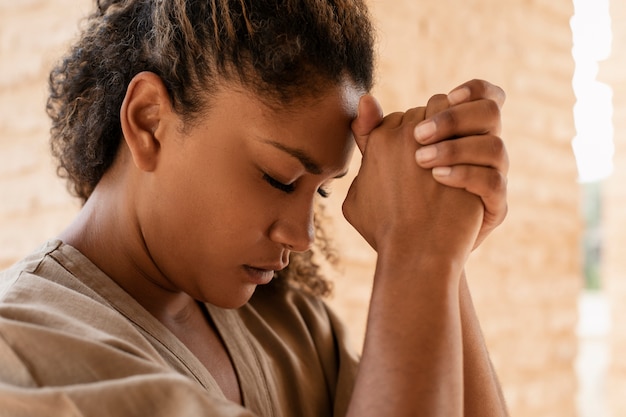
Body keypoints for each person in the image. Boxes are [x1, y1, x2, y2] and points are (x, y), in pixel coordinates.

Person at [0, 1, 509, 416]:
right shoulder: (22, 354)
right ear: (149, 120)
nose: (303, 235)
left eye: (323, 190)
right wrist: (416, 252)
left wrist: (442, 239)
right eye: (279, 178)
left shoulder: (295, 328)